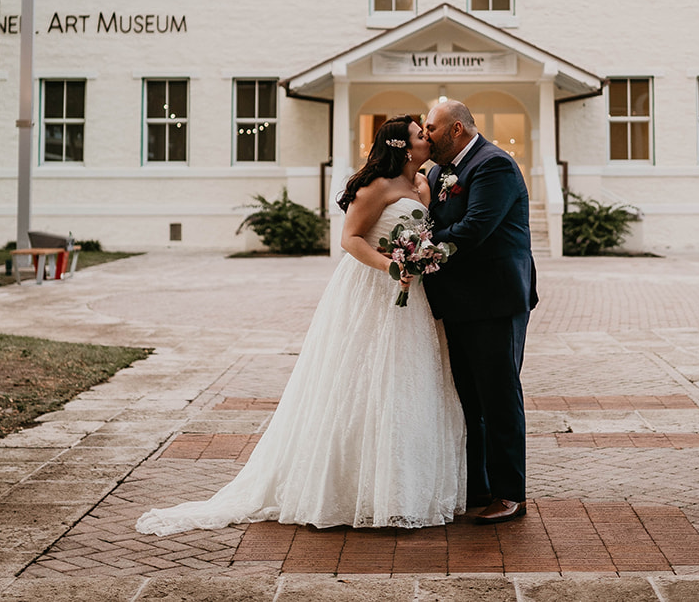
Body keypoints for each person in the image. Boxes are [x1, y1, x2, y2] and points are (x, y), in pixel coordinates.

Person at [135, 115, 465, 536]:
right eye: (421, 136)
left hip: (412, 294)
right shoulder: (376, 187)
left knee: (409, 382)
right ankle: (347, 488)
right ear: (401, 146)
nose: (427, 141)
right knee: (360, 382)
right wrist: (391, 265)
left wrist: (419, 258)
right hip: (373, 288)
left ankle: (402, 489)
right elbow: (350, 239)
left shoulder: (422, 185)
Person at [421, 99, 537, 525]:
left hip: (494, 299)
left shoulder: (494, 165)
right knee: (469, 399)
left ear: (455, 129)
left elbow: (475, 227)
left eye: (430, 127)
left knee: (499, 397)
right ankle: (480, 486)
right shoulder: (437, 172)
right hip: (457, 300)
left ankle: (510, 494)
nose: (425, 134)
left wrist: (420, 247)